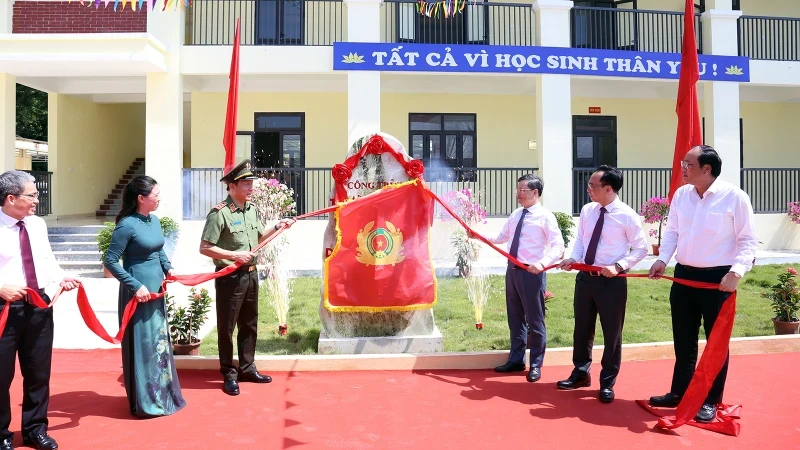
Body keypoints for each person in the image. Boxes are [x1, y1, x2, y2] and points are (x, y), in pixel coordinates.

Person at [648, 145, 758, 422]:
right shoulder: (682, 195)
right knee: (683, 340)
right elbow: (672, 230)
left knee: (715, 344)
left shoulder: (734, 197)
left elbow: (747, 240)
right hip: (684, 275)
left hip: (718, 280)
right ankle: (680, 392)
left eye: (688, 164)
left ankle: (710, 400)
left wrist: (737, 272)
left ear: (707, 169)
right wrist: (663, 259)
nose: (682, 168)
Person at [200, 160, 295, 396]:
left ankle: (247, 368)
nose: (251, 187)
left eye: (251, 183)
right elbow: (205, 247)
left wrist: (278, 227)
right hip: (230, 278)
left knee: (249, 324)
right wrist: (234, 255)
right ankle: (228, 373)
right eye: (246, 184)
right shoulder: (219, 213)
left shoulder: (251, 210)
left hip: (251, 276)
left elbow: (259, 239)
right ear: (232, 186)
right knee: (227, 327)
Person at [0, 170, 79, 450]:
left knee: (38, 373)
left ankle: (35, 429)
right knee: (1, 376)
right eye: (32, 195)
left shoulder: (36, 224)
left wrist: (61, 278)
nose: (37, 199)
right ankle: (1, 435)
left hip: (39, 306)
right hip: (5, 309)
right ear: (11, 198)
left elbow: (46, 258)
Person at [557, 165, 647, 403]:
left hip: (612, 283)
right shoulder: (588, 210)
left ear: (608, 188)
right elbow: (581, 240)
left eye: (592, 186)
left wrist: (618, 266)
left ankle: (607, 382)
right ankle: (580, 373)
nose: (588, 189)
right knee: (582, 329)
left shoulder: (627, 215)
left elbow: (641, 248)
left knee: (612, 334)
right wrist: (573, 259)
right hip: (585, 280)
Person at [103, 175, 186, 418]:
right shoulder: (127, 224)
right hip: (137, 292)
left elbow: (159, 249)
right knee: (143, 344)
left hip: (155, 290)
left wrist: (168, 267)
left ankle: (163, 394)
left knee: (158, 341)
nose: (159, 199)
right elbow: (110, 261)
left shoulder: (155, 220)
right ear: (141, 198)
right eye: (155, 195)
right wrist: (134, 285)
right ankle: (146, 400)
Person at [475, 174, 564, 383]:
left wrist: (542, 263)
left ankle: (535, 364)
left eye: (522, 190)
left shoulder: (545, 217)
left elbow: (558, 247)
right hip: (512, 270)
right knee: (515, 318)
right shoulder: (516, 214)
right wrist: (478, 235)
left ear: (535, 192)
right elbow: (501, 237)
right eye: (517, 189)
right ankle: (516, 359)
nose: (518, 193)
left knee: (535, 320)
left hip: (532, 273)